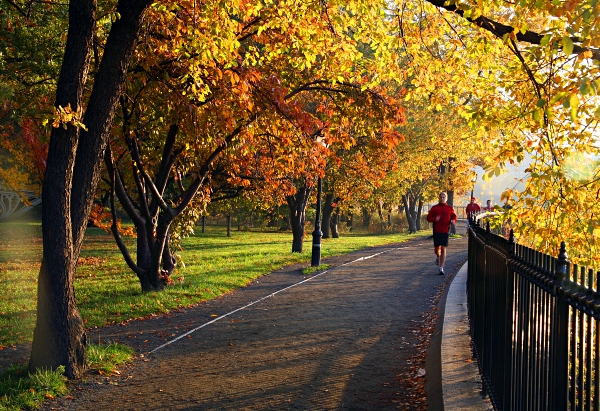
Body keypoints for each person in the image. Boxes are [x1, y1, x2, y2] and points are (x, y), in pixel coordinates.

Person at [426, 192, 457, 275]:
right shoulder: (434, 208)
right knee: (437, 249)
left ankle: (441, 267)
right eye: (441, 197)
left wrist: (453, 221)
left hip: (445, 231)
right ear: (439, 198)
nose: (442, 198)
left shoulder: (449, 208)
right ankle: (438, 256)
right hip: (436, 231)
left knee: (443, 248)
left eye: (444, 197)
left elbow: (453, 216)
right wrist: (434, 219)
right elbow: (428, 218)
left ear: (446, 198)